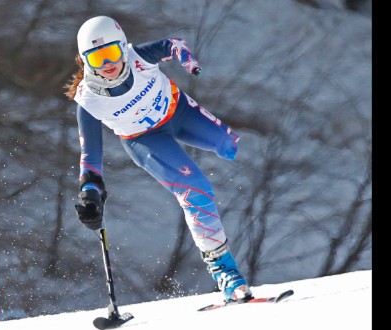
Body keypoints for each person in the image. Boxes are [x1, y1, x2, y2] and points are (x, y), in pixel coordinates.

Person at [64, 15, 253, 303]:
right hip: (145, 140)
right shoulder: (89, 100)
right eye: (96, 58)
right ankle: (224, 273)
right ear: (83, 60)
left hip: (179, 112)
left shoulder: (137, 57)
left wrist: (184, 57)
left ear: (123, 47)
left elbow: (172, 45)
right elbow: (90, 158)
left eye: (112, 53)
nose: (108, 65)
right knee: (197, 189)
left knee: (230, 144)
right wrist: (90, 194)